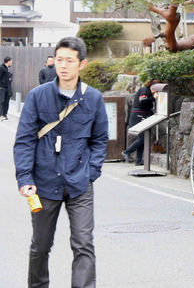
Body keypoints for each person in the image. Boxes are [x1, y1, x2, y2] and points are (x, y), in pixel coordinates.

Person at [14, 36, 108, 288]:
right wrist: (25, 178)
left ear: (82, 64)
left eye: (69, 60)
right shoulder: (38, 96)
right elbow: (24, 140)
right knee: (41, 246)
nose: (63, 65)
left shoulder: (94, 98)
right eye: (59, 60)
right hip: (44, 183)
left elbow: (100, 140)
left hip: (79, 183)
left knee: (83, 244)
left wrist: (91, 172)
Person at [121, 80, 155, 165]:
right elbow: (142, 101)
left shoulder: (148, 91)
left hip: (141, 115)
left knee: (143, 138)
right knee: (143, 138)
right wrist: (154, 98)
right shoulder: (145, 90)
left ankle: (139, 160)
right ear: (152, 86)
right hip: (138, 115)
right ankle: (126, 152)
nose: (156, 91)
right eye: (155, 88)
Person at [0, 56, 12, 121]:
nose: (11, 62)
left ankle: (5, 114)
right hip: (2, 87)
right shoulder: (1, 68)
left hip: (7, 87)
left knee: (6, 101)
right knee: (1, 101)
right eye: (11, 61)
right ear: (8, 61)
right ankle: (1, 115)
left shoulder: (8, 69)